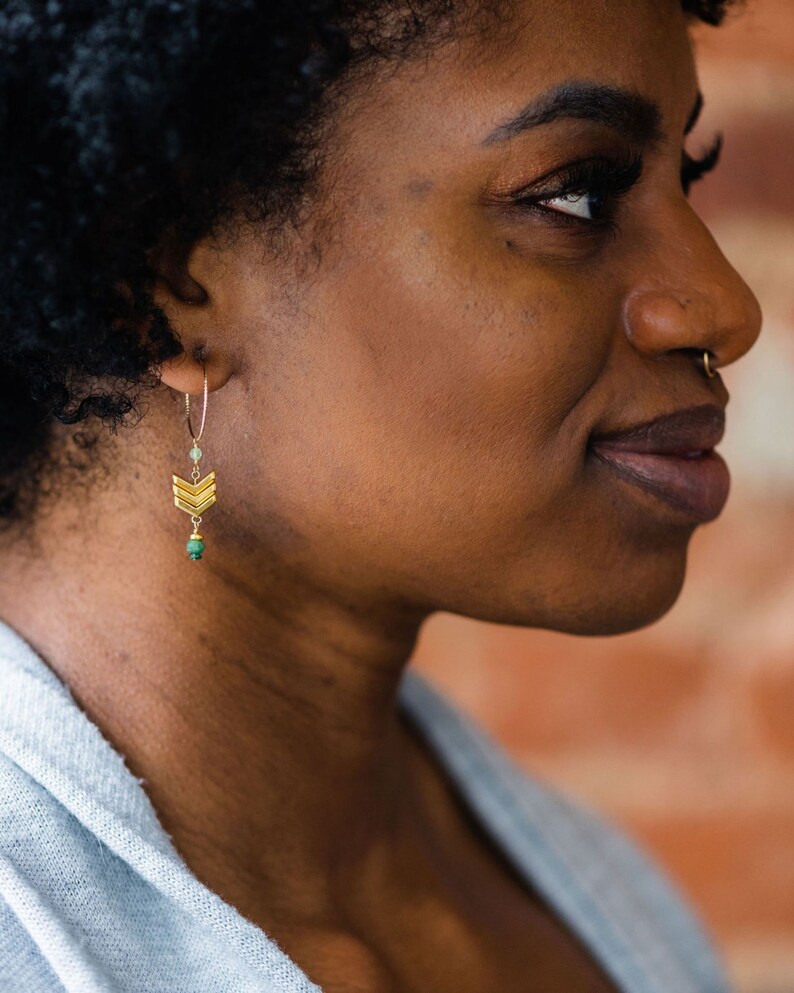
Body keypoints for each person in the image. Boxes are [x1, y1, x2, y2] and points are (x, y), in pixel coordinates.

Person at [0, 0, 762, 991]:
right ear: (172, 287)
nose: (718, 304)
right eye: (571, 197)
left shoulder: (601, 898)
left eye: (686, 183)